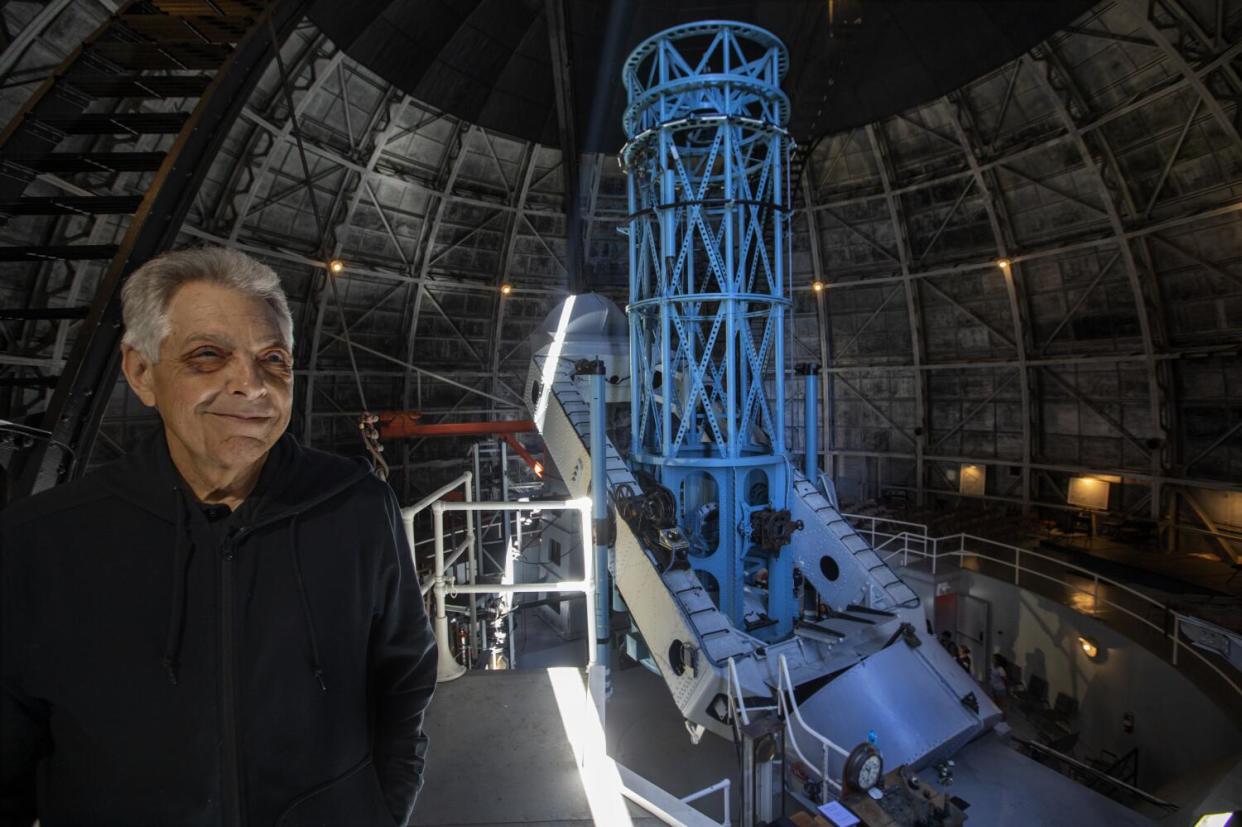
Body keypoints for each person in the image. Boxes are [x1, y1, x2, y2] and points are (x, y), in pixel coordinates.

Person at [1, 246, 437, 826]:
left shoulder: (356, 508)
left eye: (273, 359)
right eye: (208, 356)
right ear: (140, 372)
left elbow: (402, 679)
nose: (251, 386)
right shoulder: (42, 542)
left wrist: (380, 810)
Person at [989, 653, 1009, 719]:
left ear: (997, 661)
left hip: (1000, 689)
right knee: (995, 703)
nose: (992, 660)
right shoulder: (993, 666)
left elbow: (1005, 679)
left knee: (1001, 704)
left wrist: (1006, 688)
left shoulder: (1001, 669)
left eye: (993, 659)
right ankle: (997, 716)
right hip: (993, 687)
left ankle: (1003, 717)